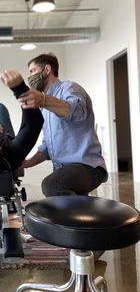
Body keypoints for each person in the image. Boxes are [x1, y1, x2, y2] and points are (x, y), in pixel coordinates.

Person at [18, 53, 108, 196]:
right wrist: (28, 162)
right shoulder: (44, 107)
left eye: (33, 71)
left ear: (47, 69)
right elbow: (48, 147)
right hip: (65, 170)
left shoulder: (69, 88)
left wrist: (43, 100)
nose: (30, 77)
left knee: (51, 186)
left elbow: (78, 113)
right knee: (58, 194)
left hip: (88, 167)